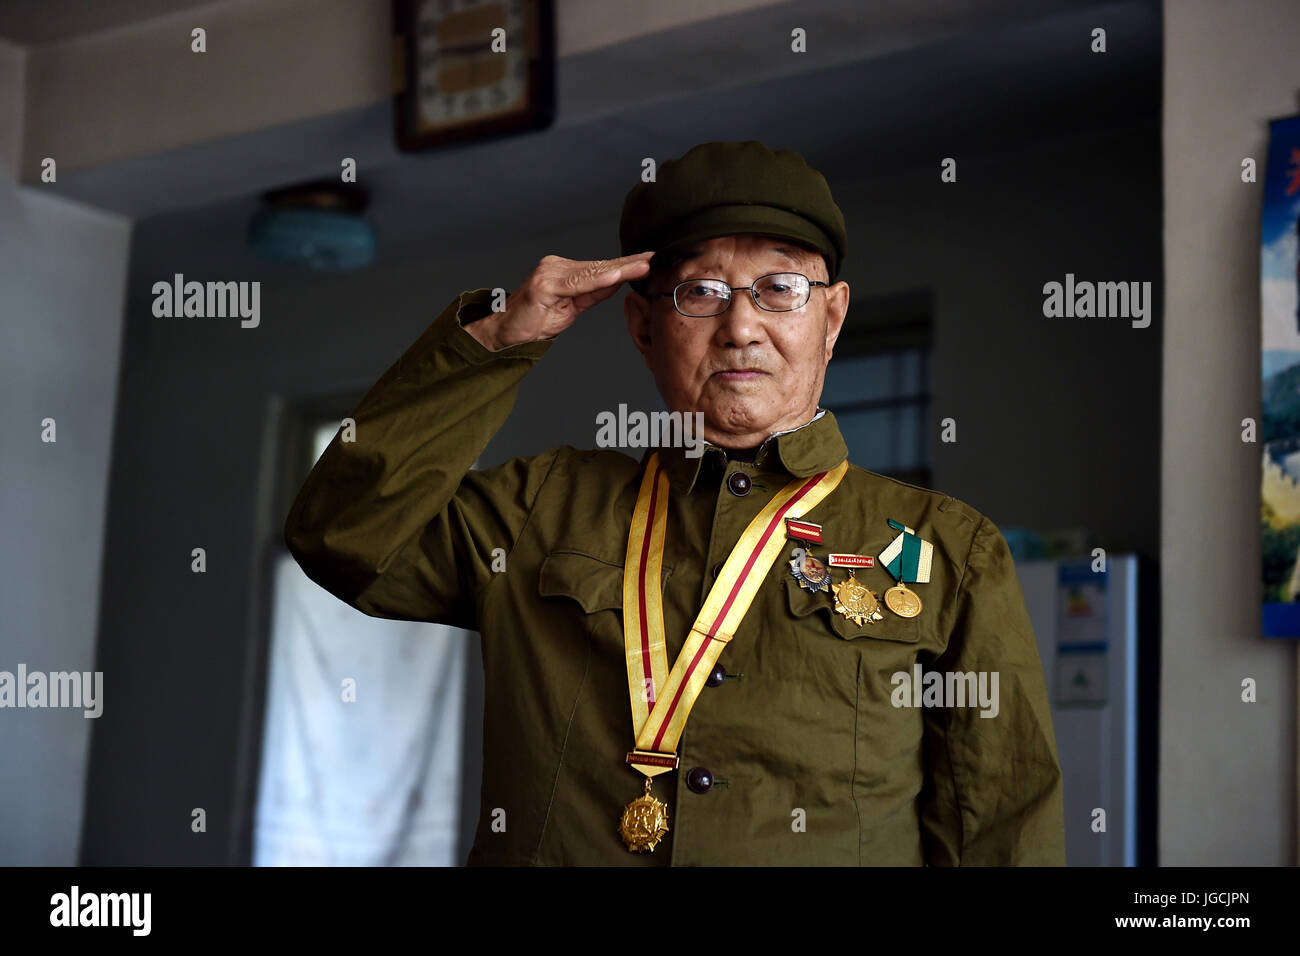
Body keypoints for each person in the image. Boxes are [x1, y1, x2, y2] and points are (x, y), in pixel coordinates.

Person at [283, 140, 1066, 866]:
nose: (741, 327)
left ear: (830, 318)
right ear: (642, 325)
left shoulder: (948, 551)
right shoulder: (540, 508)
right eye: (701, 292)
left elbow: (1000, 827)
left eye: (781, 289)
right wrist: (493, 344)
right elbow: (340, 536)